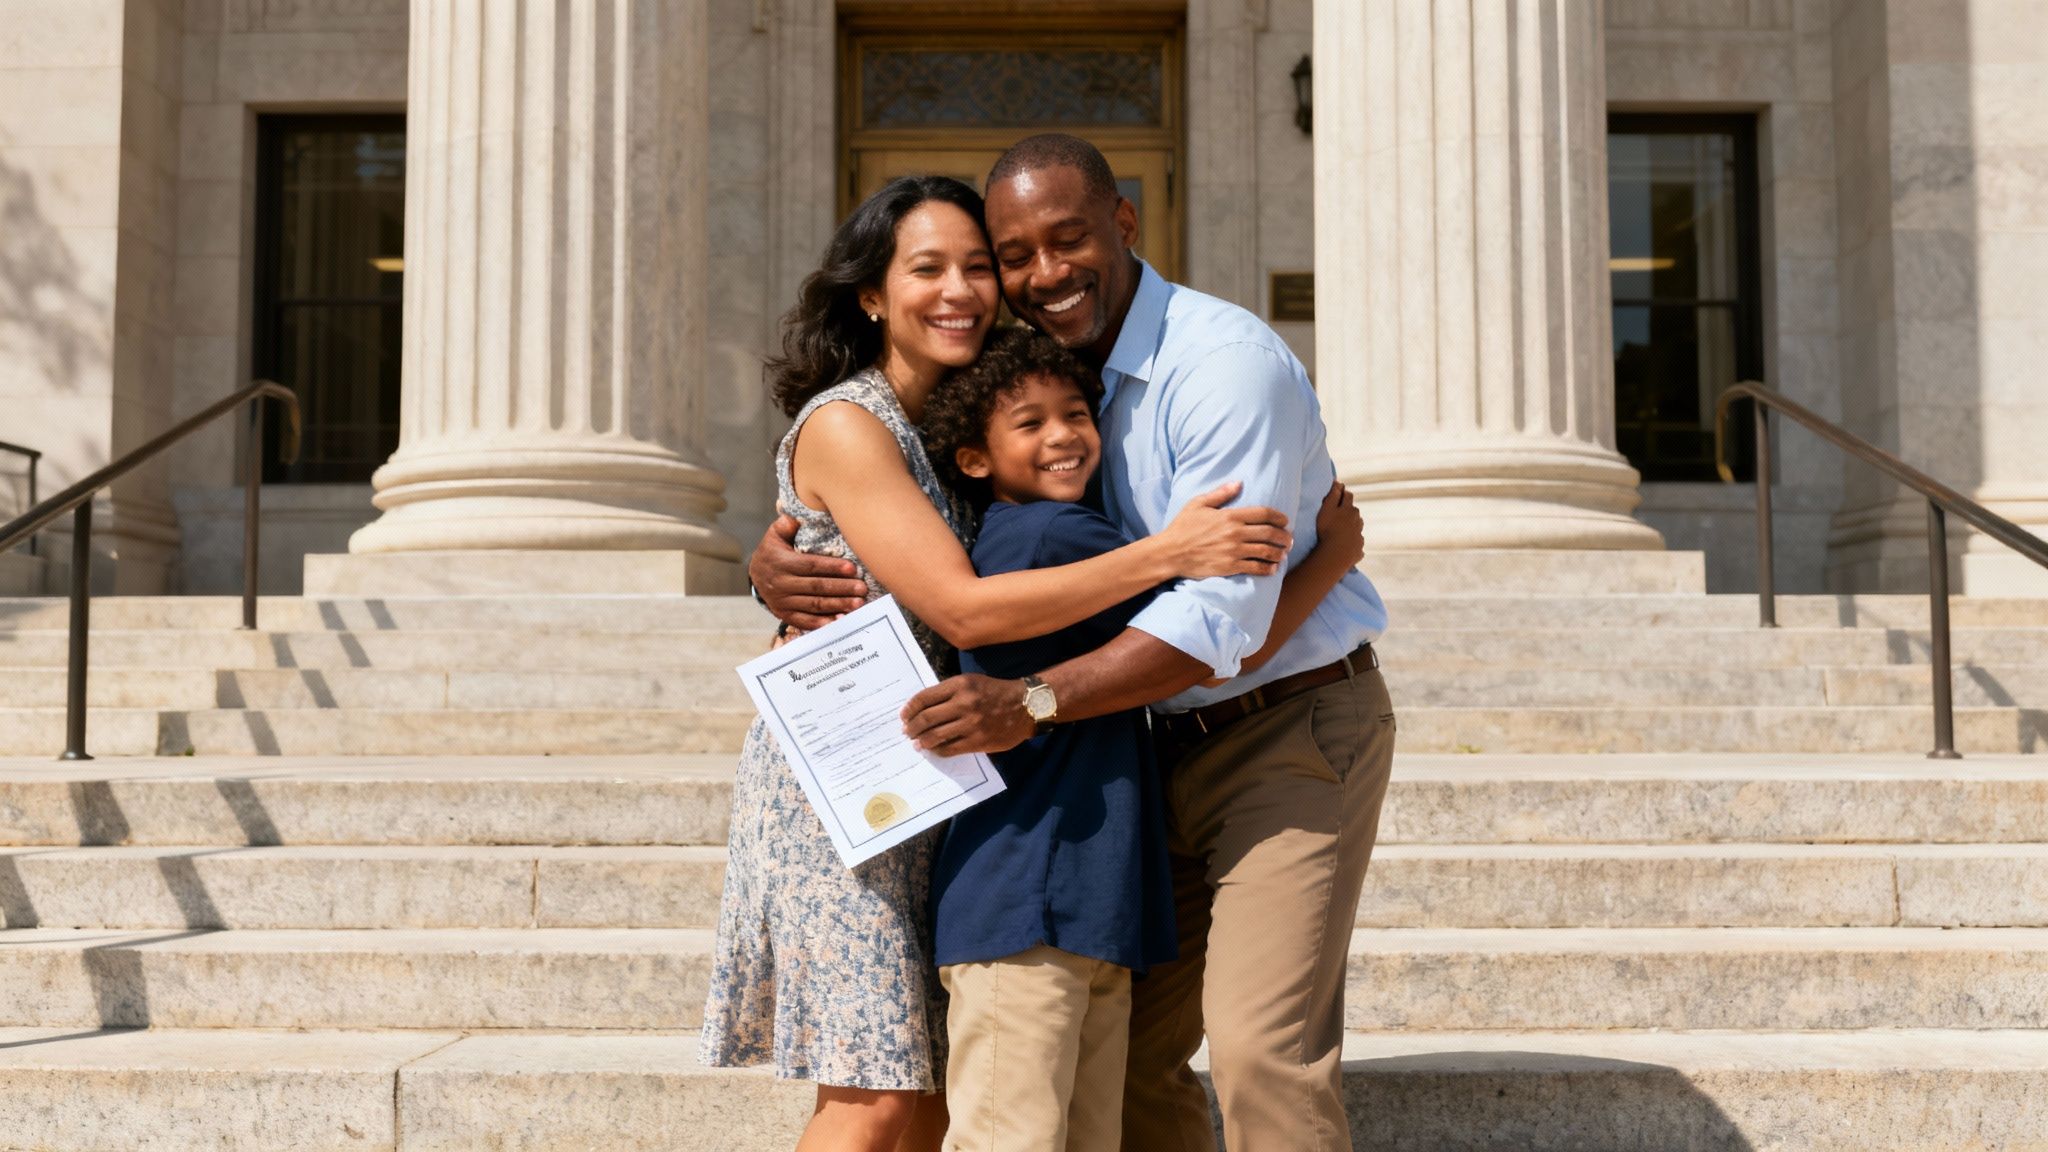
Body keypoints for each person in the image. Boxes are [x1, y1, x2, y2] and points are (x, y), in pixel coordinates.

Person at [751, 134, 1397, 1152]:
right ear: (871, 294)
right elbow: (959, 597)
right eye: (992, 258)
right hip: (902, 778)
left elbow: (1213, 622)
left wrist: (1311, 571)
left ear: (1124, 223)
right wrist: (775, 559)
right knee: (895, 1093)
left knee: (1236, 1054)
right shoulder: (972, 414)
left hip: (1242, 732)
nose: (1023, 277)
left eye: (991, 261)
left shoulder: (1194, 370)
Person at [917, 328, 1365, 1152]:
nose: (1063, 434)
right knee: (1005, 1139)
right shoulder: (1052, 540)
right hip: (1025, 901)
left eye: (1078, 412)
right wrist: (1330, 559)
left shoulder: (1071, 534)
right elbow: (1234, 647)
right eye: (1029, 422)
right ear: (974, 459)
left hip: (1085, 904)